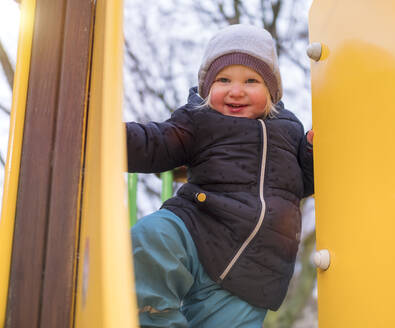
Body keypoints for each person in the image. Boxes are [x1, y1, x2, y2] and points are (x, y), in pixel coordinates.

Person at [126, 24, 314, 328]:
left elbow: (301, 184)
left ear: (271, 92)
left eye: (251, 80)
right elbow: (156, 142)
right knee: (151, 238)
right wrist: (112, 135)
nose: (236, 91)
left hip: (254, 268)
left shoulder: (290, 130)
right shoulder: (199, 121)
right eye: (223, 79)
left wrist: (311, 153)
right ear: (207, 87)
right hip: (196, 228)